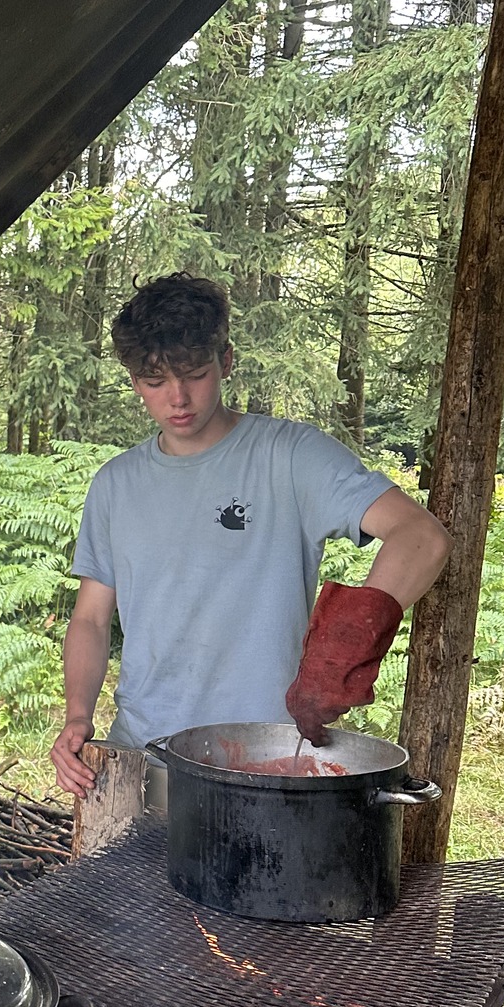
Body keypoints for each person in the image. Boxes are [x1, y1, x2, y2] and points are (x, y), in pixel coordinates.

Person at [50, 273, 449, 797]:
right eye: (154, 382)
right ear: (133, 381)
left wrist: (336, 656)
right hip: (142, 756)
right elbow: (91, 618)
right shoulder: (116, 485)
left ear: (227, 361)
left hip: (268, 759)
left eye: (194, 374)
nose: (178, 398)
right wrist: (78, 714)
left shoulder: (290, 457)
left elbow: (422, 537)